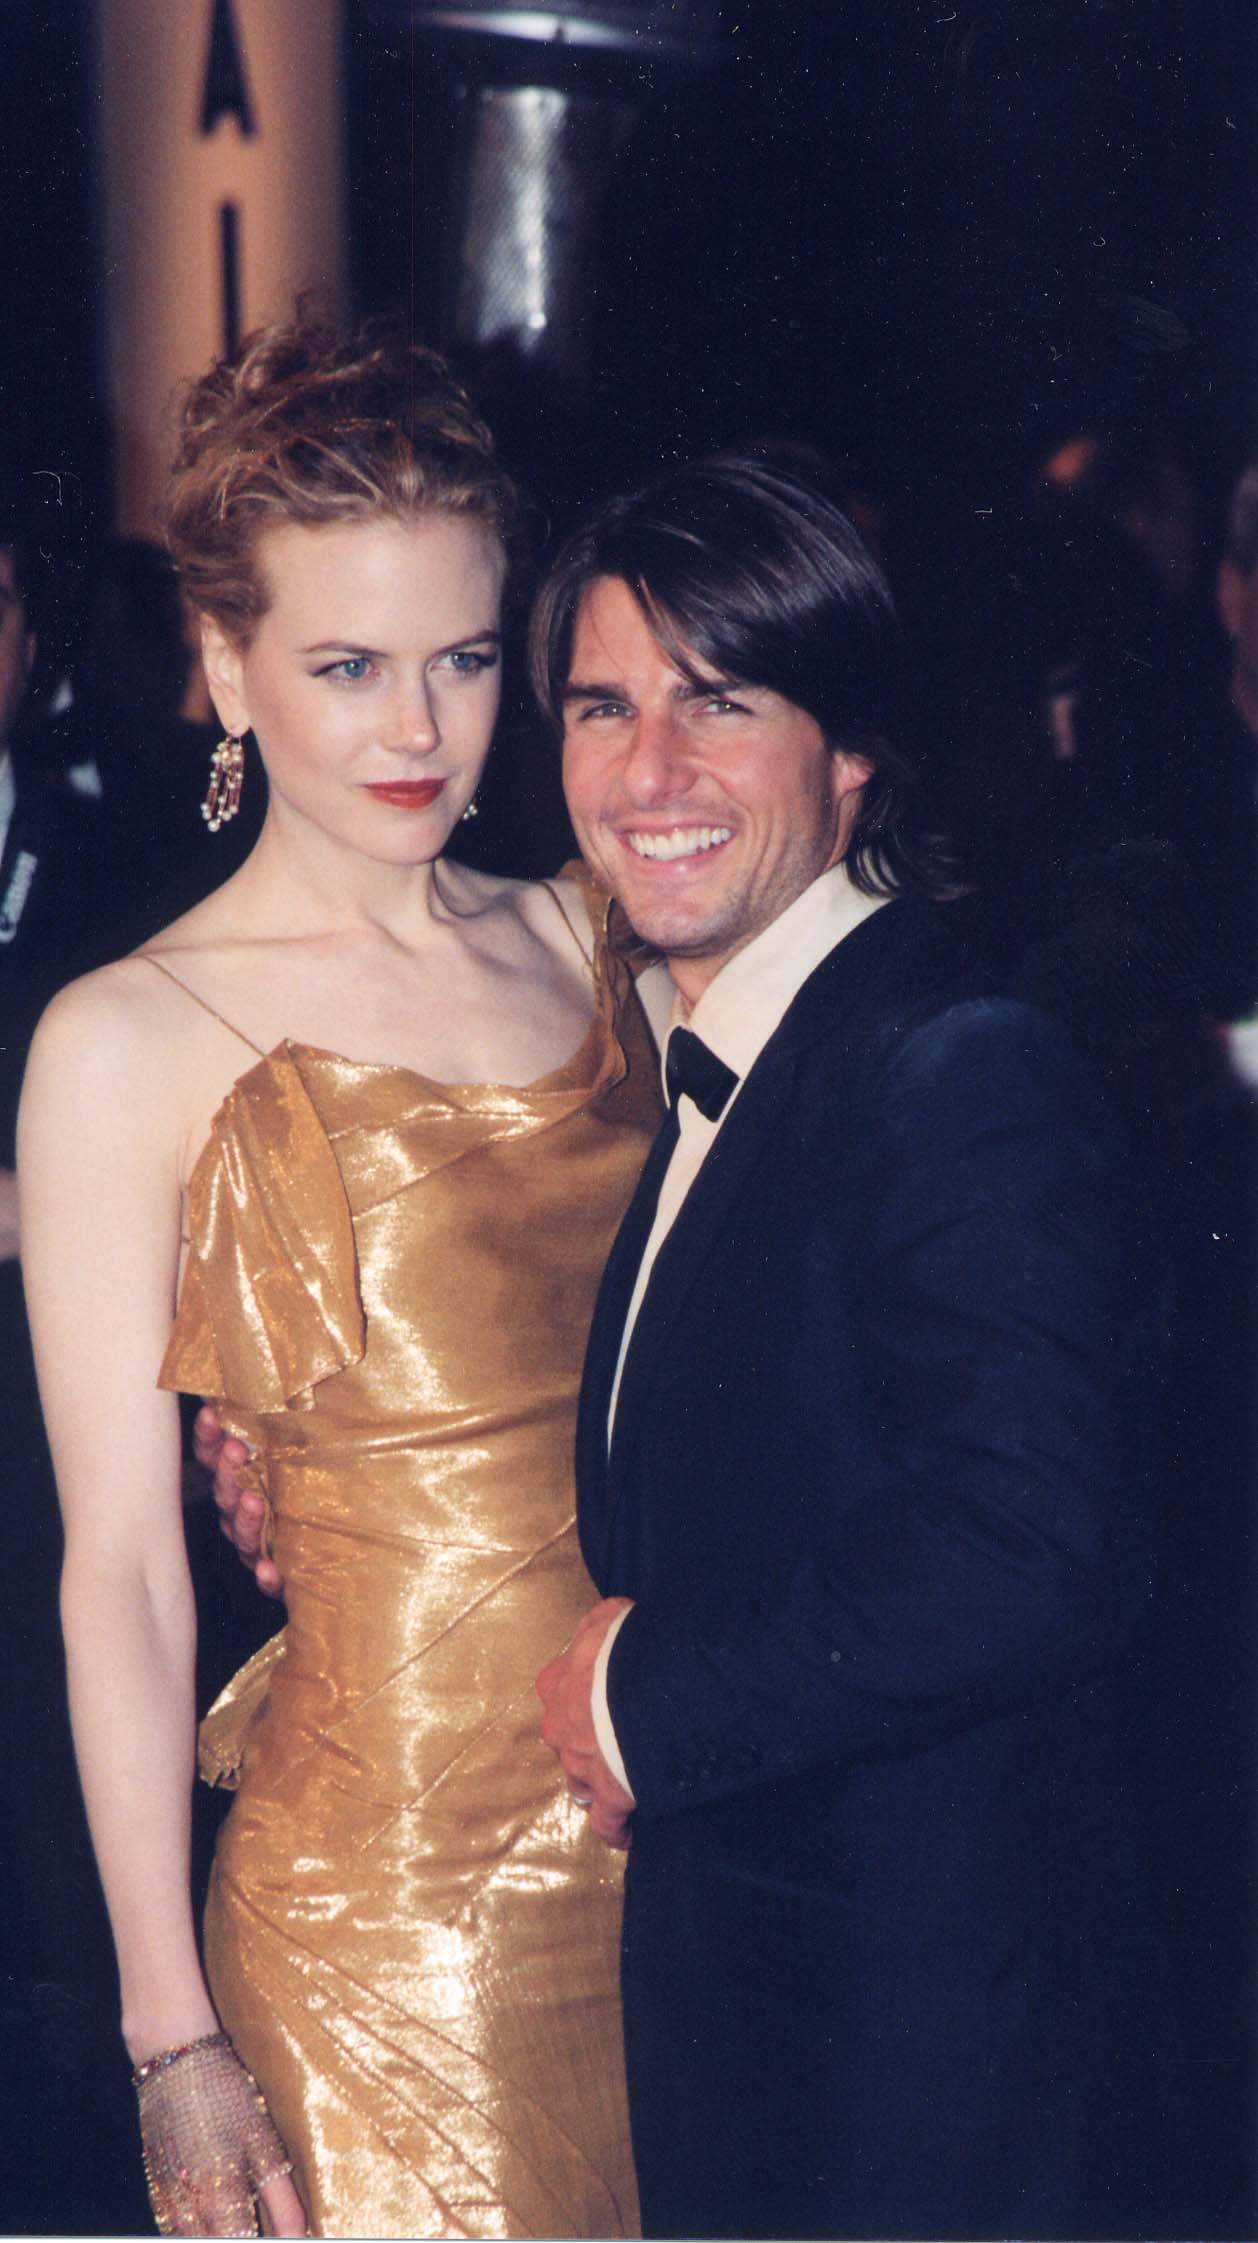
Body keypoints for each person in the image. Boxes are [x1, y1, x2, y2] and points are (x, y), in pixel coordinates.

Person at [18, 320, 655, 2239]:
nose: (417, 733)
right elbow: (121, 1575)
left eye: (464, 660)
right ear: (223, 663)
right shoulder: (127, 1041)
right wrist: (168, 2040)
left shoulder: (603, 928)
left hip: (690, 1866)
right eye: (345, 667)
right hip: (374, 1937)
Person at [530, 454, 1187, 2241]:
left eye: (718, 703)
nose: (647, 771)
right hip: (789, 2062)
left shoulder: (951, 1060)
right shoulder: (737, 1068)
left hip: (936, 2104)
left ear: (849, 752)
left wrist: (645, 1695)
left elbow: (1039, 1542)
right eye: (604, 705)